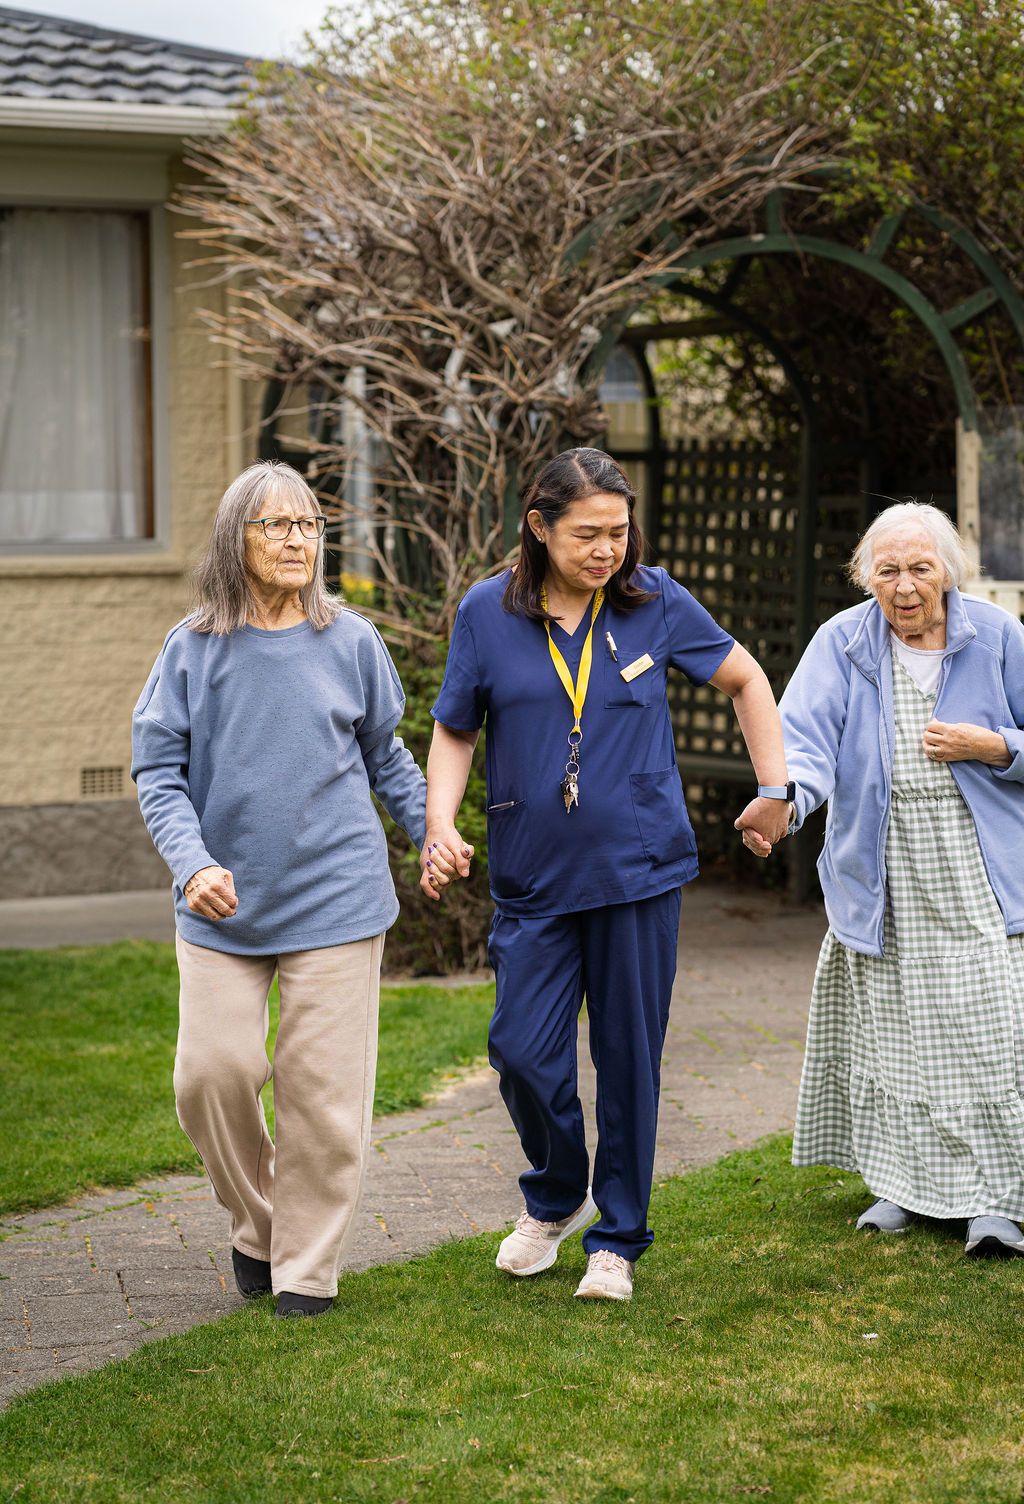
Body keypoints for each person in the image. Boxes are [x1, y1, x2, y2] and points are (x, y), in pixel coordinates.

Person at [423, 447, 791, 1301]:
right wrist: (439, 823)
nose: (606, 551)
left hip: (637, 872)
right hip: (534, 876)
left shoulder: (654, 601)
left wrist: (775, 790)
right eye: (587, 534)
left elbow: (745, 678)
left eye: (619, 533)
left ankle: (617, 1239)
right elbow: (454, 729)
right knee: (520, 1050)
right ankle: (555, 1196)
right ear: (539, 527)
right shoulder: (486, 612)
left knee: (629, 1060)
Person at [131, 461, 466, 1318]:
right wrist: (192, 862)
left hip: (337, 899)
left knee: (323, 1098)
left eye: (309, 525)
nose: (295, 540)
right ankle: (258, 1223)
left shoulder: (349, 641)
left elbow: (385, 753)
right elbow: (158, 773)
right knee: (211, 1074)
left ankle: (305, 1270)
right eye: (274, 525)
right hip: (221, 903)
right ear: (233, 539)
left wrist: (429, 829)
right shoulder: (193, 648)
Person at [768, 502, 1024, 1255]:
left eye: (920, 568)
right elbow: (803, 746)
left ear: (948, 570)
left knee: (988, 1036)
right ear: (866, 578)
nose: (905, 586)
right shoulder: (842, 643)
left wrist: (995, 745)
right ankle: (901, 1188)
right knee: (895, 1038)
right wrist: (782, 808)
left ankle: (994, 1200)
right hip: (880, 873)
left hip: (979, 870)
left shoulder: (999, 636)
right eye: (888, 571)